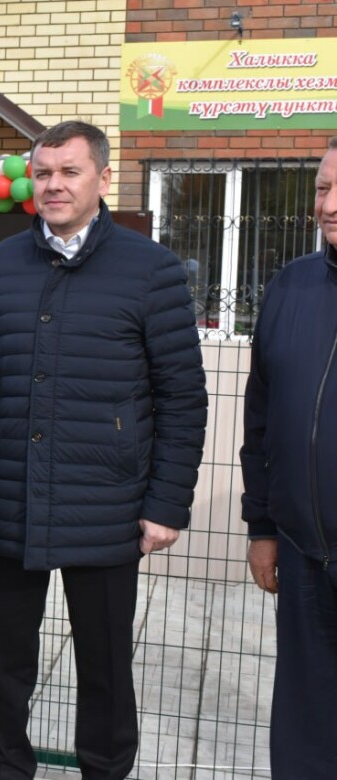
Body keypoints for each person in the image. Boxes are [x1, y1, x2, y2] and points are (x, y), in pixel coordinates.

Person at [0, 120, 208, 779]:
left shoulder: (151, 270)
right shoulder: (3, 264)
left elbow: (181, 396)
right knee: (3, 662)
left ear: (103, 179)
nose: (54, 185)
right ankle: (8, 769)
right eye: (43, 173)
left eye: (69, 171)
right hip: (11, 496)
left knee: (105, 668)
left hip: (108, 505)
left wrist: (166, 503)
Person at [240, 135, 337, 777]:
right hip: (305, 556)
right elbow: (262, 419)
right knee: (305, 737)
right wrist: (263, 526)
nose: (328, 204)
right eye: (324, 188)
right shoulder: (290, 286)